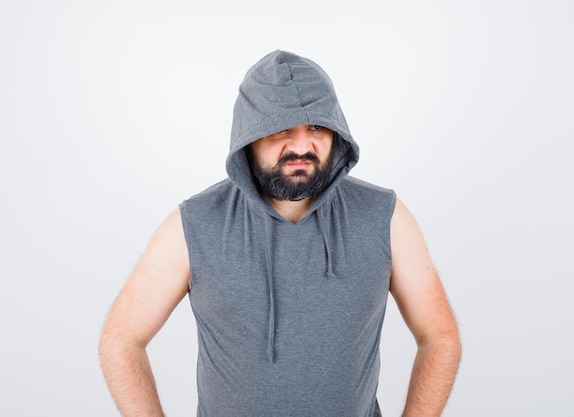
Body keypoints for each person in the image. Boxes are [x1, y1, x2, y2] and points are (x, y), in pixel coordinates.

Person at [98, 50, 461, 417]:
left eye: (316, 127)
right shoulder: (194, 225)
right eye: (280, 129)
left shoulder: (385, 218)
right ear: (248, 137)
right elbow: (122, 339)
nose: (301, 147)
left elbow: (439, 337)